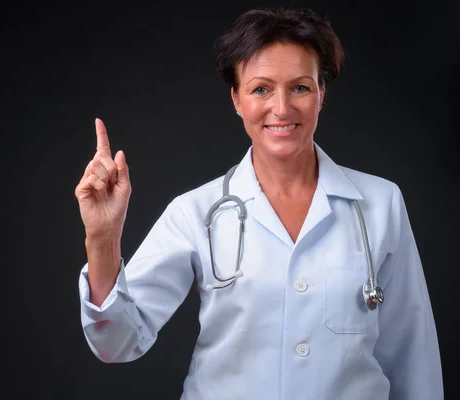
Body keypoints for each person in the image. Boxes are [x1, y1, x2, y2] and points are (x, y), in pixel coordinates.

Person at [73, 7, 443, 400]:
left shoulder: (380, 204)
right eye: (261, 88)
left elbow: (412, 357)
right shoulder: (195, 213)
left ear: (322, 93)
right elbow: (116, 343)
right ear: (237, 99)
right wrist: (102, 236)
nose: (281, 108)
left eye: (300, 87)